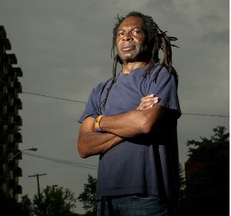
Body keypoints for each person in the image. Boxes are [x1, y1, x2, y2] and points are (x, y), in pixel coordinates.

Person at [77, 11, 181, 216]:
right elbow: (84, 146)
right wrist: (131, 118)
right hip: (104, 200)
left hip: (148, 197)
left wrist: (99, 123)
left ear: (149, 39)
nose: (126, 37)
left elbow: (144, 124)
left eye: (135, 31)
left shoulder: (161, 75)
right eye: (121, 33)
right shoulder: (100, 91)